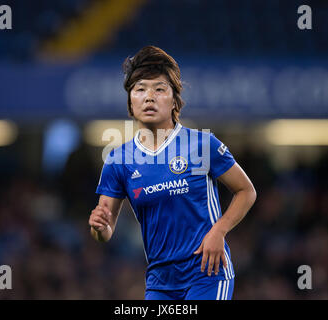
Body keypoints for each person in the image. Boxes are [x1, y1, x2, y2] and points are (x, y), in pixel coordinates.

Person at [89, 46, 256, 300]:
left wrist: (219, 230)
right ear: (130, 103)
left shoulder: (201, 145)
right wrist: (99, 227)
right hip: (160, 283)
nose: (149, 97)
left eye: (159, 89)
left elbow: (246, 191)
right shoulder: (118, 160)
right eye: (140, 89)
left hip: (207, 274)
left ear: (174, 100)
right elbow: (105, 230)